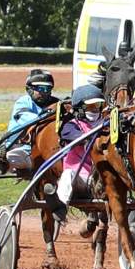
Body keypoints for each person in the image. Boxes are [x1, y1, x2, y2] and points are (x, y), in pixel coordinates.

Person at [0, 69, 59, 173]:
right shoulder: (23, 102)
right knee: (13, 157)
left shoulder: (56, 103)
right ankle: (2, 161)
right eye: (41, 89)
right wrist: (50, 115)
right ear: (29, 89)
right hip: (22, 147)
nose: (45, 93)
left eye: (48, 89)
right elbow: (31, 120)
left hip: (47, 148)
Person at [54, 84, 105, 216]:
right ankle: (59, 206)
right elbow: (80, 138)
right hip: (80, 177)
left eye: (97, 106)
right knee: (67, 175)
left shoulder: (107, 123)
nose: (94, 110)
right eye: (89, 106)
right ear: (79, 108)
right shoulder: (70, 127)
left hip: (104, 176)